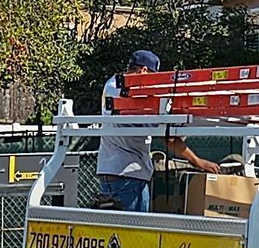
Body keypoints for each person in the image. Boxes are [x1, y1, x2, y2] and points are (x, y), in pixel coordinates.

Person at [95, 50, 222, 213]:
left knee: (117, 232)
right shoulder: (134, 93)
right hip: (129, 175)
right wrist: (197, 161)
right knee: (136, 234)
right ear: (143, 71)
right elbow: (165, 135)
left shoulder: (112, 84)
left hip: (110, 170)